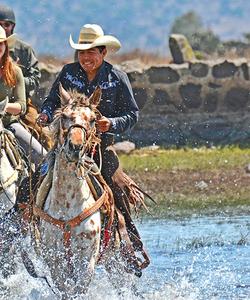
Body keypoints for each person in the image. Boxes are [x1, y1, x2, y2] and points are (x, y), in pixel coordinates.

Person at [37, 24, 148, 274]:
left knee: (118, 189)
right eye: (81, 53)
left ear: (103, 52)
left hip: (100, 148)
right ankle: (28, 228)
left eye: (91, 52)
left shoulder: (117, 78)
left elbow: (132, 114)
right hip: (65, 148)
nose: (85, 58)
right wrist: (45, 114)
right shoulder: (67, 73)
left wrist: (112, 124)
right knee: (36, 178)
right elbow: (51, 101)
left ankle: (128, 243)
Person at [0, 4, 51, 149]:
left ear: (13, 27)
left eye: (7, 24)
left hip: (21, 103)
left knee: (42, 133)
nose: (3, 28)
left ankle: (47, 166)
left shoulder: (24, 50)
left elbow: (35, 79)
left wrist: (15, 80)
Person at [0, 25, 46, 167]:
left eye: (0, 43)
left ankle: (35, 188)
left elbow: (21, 106)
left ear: (5, 45)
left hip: (8, 123)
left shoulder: (15, 71)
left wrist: (4, 106)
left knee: (42, 157)